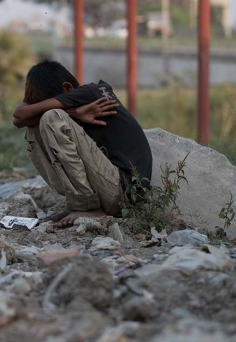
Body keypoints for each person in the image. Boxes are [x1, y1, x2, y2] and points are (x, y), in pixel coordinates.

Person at [13, 60, 152, 227]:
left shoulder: (93, 92)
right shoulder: (75, 108)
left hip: (124, 192)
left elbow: (23, 114)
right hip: (106, 188)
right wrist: (75, 113)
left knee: (51, 118)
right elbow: (20, 117)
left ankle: (86, 206)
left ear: (67, 88)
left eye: (47, 102)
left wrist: (62, 112)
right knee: (33, 126)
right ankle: (78, 203)